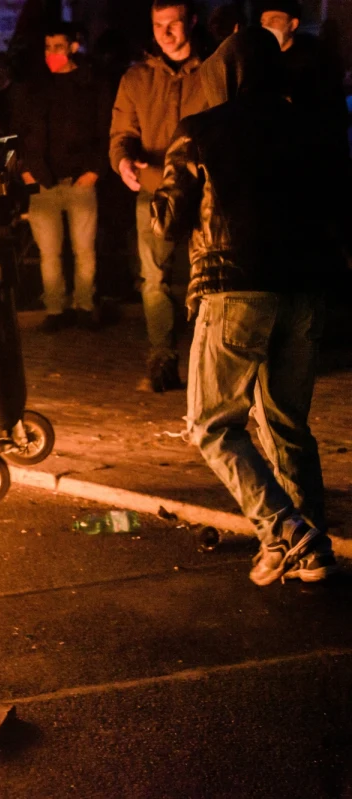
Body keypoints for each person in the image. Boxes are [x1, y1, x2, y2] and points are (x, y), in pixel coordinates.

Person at [150, 27, 345, 585]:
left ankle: (285, 528)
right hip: (305, 292)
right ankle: (313, 552)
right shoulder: (310, 129)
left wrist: (157, 194)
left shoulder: (201, 132)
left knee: (211, 423)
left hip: (233, 288)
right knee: (287, 425)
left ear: (224, 75)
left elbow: (169, 223)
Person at [110, 0, 208, 392]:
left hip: (205, 191)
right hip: (154, 190)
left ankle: (209, 360)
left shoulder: (213, 73)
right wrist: (122, 162)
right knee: (155, 279)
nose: (165, 34)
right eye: (158, 25)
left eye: (174, 24)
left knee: (208, 278)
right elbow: (122, 132)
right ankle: (162, 360)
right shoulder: (137, 79)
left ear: (192, 23)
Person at [12, 22, 110, 332]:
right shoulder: (36, 88)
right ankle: (55, 309)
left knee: (84, 250)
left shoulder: (91, 85)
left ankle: (84, 305)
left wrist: (95, 169)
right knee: (49, 253)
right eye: (47, 47)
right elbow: (22, 131)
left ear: (72, 47)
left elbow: (106, 128)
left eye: (58, 47)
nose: (52, 53)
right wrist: (27, 168)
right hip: (45, 180)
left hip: (80, 178)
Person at [258, 0, 350, 163]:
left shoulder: (316, 62)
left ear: (293, 24)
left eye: (275, 20)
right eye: (263, 22)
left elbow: (329, 116)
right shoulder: (261, 60)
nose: (267, 27)